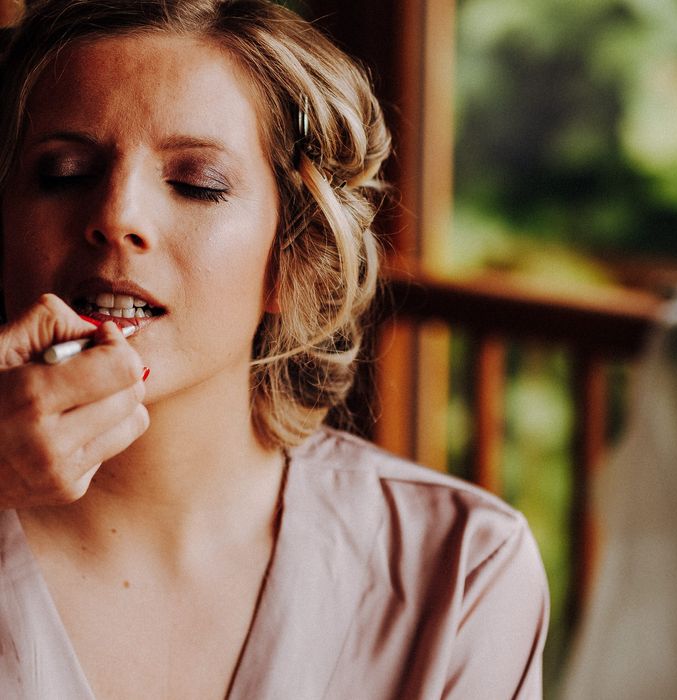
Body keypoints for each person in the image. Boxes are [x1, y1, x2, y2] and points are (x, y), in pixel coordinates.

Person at [0, 1, 548, 698]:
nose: (116, 218)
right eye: (66, 173)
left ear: (295, 256)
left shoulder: (461, 568)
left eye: (197, 184)